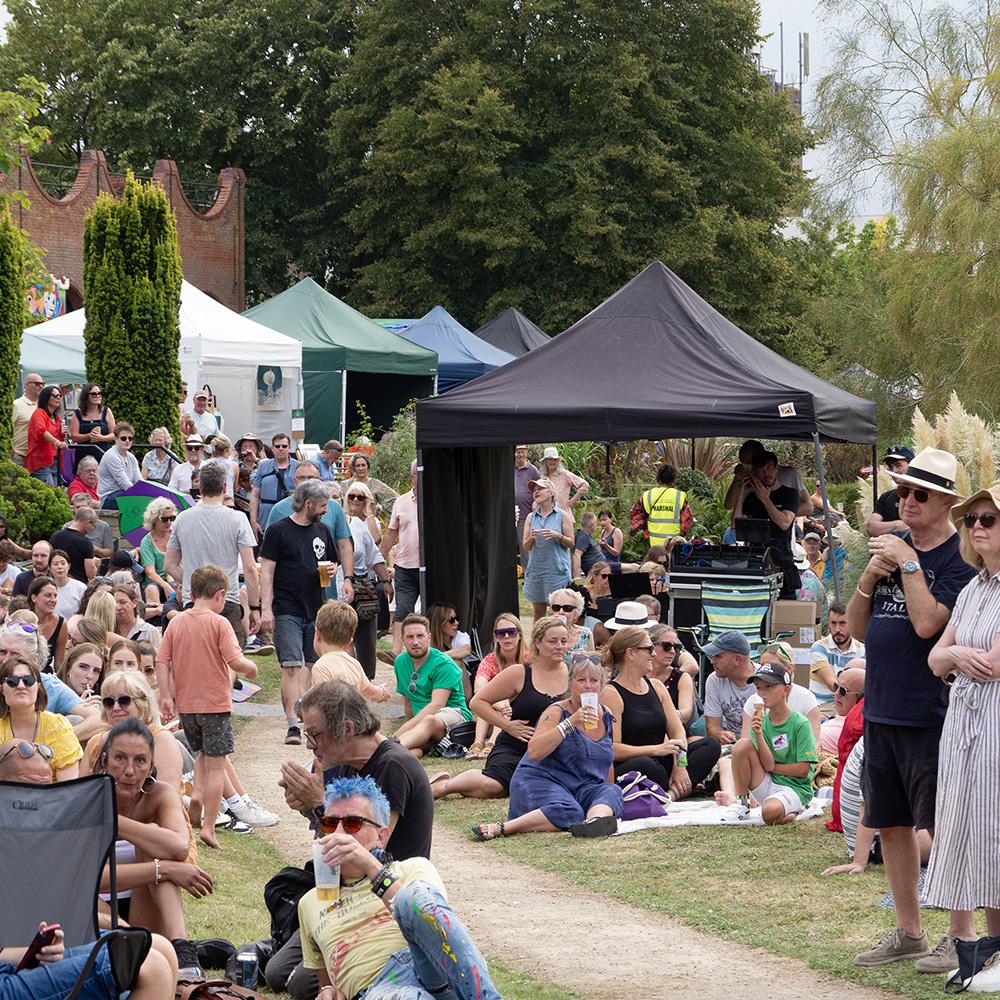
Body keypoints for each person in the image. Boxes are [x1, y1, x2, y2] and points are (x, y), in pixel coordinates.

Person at [847, 446, 976, 968]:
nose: (908, 500)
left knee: (944, 827)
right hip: (881, 707)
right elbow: (858, 629)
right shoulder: (894, 546)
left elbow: (927, 625)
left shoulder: (959, 559)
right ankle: (909, 931)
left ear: (945, 503)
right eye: (903, 490)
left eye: (921, 493)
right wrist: (869, 577)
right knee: (892, 822)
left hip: (931, 713)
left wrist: (906, 563)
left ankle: (962, 936)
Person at [273, 682, 434, 999]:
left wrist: (317, 802)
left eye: (315, 735)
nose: (310, 745)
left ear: (346, 729)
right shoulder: (348, 765)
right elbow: (333, 842)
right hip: (344, 893)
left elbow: (366, 852)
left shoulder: (393, 765)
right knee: (278, 972)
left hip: (383, 906)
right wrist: (310, 808)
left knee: (298, 982)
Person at [298, 775, 501, 1000]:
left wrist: (368, 864)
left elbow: (437, 929)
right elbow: (326, 981)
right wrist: (327, 990)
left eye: (352, 823)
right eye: (329, 823)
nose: (338, 834)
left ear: (381, 836)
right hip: (379, 988)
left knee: (413, 893)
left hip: (432, 967)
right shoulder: (310, 902)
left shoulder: (412, 869)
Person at [919, 485, 1000, 983]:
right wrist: (954, 656)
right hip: (964, 721)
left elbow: (992, 664)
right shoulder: (972, 589)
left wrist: (955, 657)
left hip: (994, 719)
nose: (977, 527)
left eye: (989, 519)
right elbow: (934, 658)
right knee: (964, 821)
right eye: (972, 519)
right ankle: (979, 945)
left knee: (994, 826)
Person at [94, 718, 212, 976]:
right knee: (157, 844)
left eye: (140, 761)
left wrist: (115, 823)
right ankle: (148, 944)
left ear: (150, 768)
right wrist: (164, 870)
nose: (129, 771)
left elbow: (179, 847)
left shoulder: (160, 794)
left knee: (157, 839)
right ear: (104, 761)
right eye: (120, 758)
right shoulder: (86, 799)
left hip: (145, 907)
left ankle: (182, 948)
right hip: (97, 911)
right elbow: (87, 880)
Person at [156, 563, 259, 849]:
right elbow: (235, 660)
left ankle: (197, 794)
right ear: (220, 595)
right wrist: (251, 667)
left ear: (191, 594)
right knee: (216, 766)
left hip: (187, 707)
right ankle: (209, 827)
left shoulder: (177, 622)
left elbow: (161, 661)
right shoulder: (219, 623)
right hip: (215, 706)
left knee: (202, 752)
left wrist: (166, 696)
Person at [476, 653, 624, 840]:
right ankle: (504, 827)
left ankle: (593, 822)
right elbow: (535, 751)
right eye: (581, 680)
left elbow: (607, 760)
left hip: (580, 787)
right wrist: (571, 722)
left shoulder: (605, 714)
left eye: (594, 680)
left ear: (601, 685)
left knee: (613, 791)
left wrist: (604, 794)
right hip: (541, 782)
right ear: (570, 684)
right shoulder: (556, 711)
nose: (588, 685)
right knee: (570, 811)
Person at [433, 616, 570, 803]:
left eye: (563, 641)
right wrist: (507, 726)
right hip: (516, 746)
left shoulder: (573, 673)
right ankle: (443, 786)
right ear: (538, 643)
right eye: (552, 641)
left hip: (555, 749)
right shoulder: (520, 673)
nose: (559, 646)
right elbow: (478, 701)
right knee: (495, 787)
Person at [260, 479, 352, 746]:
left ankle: (311, 723)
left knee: (312, 667)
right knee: (290, 666)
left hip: (317, 607)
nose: (326, 510)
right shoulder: (278, 530)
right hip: (286, 607)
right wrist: (265, 608)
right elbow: (267, 573)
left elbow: (330, 562)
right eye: (322, 505)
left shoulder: (323, 530)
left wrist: (334, 570)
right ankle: (292, 724)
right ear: (308, 504)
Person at [601, 625, 720, 802]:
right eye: (649, 649)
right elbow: (613, 748)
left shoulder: (656, 687)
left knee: (710, 745)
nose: (653, 654)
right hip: (634, 764)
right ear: (630, 653)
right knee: (648, 765)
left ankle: (670, 794)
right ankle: (677, 790)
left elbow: (677, 731)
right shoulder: (611, 694)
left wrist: (680, 765)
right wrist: (656, 750)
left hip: (661, 758)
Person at [165, 461, 261, 649]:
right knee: (228, 661)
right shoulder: (237, 518)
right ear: (225, 488)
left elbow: (169, 565)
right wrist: (254, 608)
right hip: (226, 600)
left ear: (200, 488)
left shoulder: (182, 518)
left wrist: (195, 583)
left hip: (195, 600)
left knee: (196, 659)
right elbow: (250, 568)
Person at [716, 659, 818, 824]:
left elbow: (803, 770)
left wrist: (773, 768)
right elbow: (767, 764)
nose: (762, 693)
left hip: (795, 788)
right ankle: (742, 805)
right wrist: (758, 735)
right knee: (742, 745)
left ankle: (797, 810)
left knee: (769, 813)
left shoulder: (801, 724)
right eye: (758, 688)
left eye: (769, 687)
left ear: (786, 690)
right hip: (768, 782)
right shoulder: (761, 723)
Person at [392, 613, 471, 757]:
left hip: (453, 717)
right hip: (424, 726)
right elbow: (408, 701)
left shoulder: (443, 663)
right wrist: (412, 730)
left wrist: (406, 728)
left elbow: (437, 705)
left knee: (429, 720)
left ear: (429, 637)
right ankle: (395, 755)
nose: (415, 642)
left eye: (420, 636)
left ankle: (388, 749)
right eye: (410, 637)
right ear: (402, 640)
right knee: (415, 750)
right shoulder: (400, 662)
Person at [0, 654, 81, 781]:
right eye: (12, 681)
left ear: (38, 686)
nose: (21, 686)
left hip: (52, 793)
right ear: (2, 690)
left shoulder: (57, 726)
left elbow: (68, 787)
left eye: (28, 680)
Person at [340, 481, 391, 676]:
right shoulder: (329, 525)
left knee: (367, 639)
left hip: (363, 588)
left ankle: (365, 678)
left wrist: (386, 582)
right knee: (342, 636)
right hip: (338, 588)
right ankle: (349, 678)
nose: (355, 500)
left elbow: (375, 552)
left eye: (360, 497)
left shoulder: (361, 525)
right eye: (351, 496)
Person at [464, 612, 527, 759]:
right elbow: (479, 688)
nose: (506, 637)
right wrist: (499, 704)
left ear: (519, 635)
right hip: (497, 714)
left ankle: (492, 743)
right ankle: (478, 743)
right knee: (487, 703)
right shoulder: (490, 660)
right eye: (501, 633)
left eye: (511, 632)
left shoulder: (529, 660)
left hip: (519, 712)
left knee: (499, 706)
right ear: (495, 637)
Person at [310, 601, 389, 703]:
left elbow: (323, 703)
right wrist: (382, 692)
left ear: (317, 633)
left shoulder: (321, 667)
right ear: (349, 642)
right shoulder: (354, 663)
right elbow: (369, 691)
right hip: (354, 713)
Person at [380, 460, 419, 658]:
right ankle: (395, 652)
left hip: (431, 567)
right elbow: (391, 533)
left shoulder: (438, 499)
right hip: (405, 565)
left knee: (435, 610)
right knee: (403, 608)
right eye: (419, 473)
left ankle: (435, 651)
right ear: (412, 477)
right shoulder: (401, 501)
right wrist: (379, 559)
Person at [522, 476, 574, 622]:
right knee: (538, 615)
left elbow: (571, 543)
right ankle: (537, 638)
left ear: (551, 493)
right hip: (537, 571)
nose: (536, 492)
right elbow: (526, 547)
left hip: (556, 572)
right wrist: (532, 538)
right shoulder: (531, 517)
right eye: (534, 490)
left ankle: (561, 637)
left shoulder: (562, 515)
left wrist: (559, 536)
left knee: (559, 614)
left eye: (540, 489)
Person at [723, 439, 811, 517]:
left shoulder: (789, 474)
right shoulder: (746, 481)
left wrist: (777, 514)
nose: (747, 467)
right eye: (743, 464)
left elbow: (808, 508)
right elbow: (729, 505)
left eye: (749, 463)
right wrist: (737, 478)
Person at [702, 630, 754, 746]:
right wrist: (720, 734)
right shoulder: (714, 679)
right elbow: (712, 726)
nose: (712, 661)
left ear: (737, 659)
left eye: (718, 656)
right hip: (732, 745)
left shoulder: (766, 680)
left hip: (762, 746)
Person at [808, 601, 865, 704]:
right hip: (824, 704)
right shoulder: (819, 648)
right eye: (834, 623)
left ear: (852, 624)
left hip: (851, 703)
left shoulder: (862, 651)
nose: (837, 629)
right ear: (829, 625)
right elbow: (833, 685)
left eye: (842, 623)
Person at [648, 624, 699, 725]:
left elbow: (686, 712)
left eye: (676, 647)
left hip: (674, 729)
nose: (672, 652)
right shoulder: (638, 676)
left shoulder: (682, 677)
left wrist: (674, 715)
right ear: (651, 646)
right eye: (666, 646)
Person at [250, 432, 299, 539]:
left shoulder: (298, 467)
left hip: (290, 517)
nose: (281, 449)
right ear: (272, 448)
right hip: (265, 519)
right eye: (277, 446)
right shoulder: (263, 466)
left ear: (289, 448)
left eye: (284, 446)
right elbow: (255, 495)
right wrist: (253, 521)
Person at [637, 464, 693, 546]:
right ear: (673, 479)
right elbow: (689, 517)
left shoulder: (648, 495)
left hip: (655, 544)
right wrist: (681, 536)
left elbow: (635, 513)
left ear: (658, 478)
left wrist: (646, 531)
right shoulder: (679, 496)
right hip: (674, 544)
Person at [139, 497, 178, 615]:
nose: (169, 522)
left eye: (172, 518)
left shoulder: (176, 535)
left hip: (175, 578)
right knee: (152, 589)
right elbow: (150, 572)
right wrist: (165, 586)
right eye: (164, 519)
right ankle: (157, 617)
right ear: (154, 519)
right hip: (155, 582)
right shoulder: (147, 542)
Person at [867, 445, 915, 537]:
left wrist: (886, 528)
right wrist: (898, 525)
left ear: (912, 464)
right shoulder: (886, 497)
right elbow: (871, 528)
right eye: (890, 467)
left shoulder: (924, 495)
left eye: (898, 465)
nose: (894, 471)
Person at [818, 664, 865, 754]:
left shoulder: (853, 729)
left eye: (843, 691)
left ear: (860, 698)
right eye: (836, 687)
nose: (836, 693)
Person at [69, 381, 115, 471]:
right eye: (94, 394)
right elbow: (74, 436)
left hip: (102, 453)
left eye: (99, 393)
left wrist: (101, 438)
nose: (97, 396)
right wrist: (89, 436)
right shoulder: (78, 413)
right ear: (86, 396)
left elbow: (114, 434)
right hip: (84, 456)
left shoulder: (106, 411)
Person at [26, 385, 67, 485]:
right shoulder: (39, 413)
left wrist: (63, 435)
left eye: (60, 395)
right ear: (46, 397)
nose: (58, 398)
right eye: (55, 395)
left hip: (55, 461)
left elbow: (58, 439)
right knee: (49, 491)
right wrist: (57, 442)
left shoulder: (57, 417)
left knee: (56, 491)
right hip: (42, 461)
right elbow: (41, 431)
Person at [27, 577, 68, 671]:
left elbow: (59, 664)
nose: (53, 600)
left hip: (46, 675)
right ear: (34, 598)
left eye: (55, 596)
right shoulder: (21, 620)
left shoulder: (60, 624)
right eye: (48, 595)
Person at [96, 423, 141, 507]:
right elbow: (125, 484)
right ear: (116, 439)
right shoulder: (111, 456)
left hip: (124, 493)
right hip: (109, 497)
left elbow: (139, 481)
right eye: (123, 438)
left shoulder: (132, 458)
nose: (127, 441)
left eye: (130, 438)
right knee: (136, 502)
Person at [49, 507, 98, 584]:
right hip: (78, 585)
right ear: (87, 522)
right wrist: (94, 564)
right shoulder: (85, 542)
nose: (91, 528)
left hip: (57, 583)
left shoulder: (55, 536)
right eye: (93, 525)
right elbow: (90, 574)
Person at [514, 444, 540, 570]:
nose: (520, 455)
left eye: (523, 452)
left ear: (526, 453)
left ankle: (528, 571)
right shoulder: (509, 468)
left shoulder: (533, 470)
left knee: (525, 545)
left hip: (526, 514)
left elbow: (539, 489)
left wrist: (535, 503)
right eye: (518, 452)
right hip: (510, 514)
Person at [537, 446, 588, 512]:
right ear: (545, 461)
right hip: (547, 515)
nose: (552, 462)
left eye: (554, 459)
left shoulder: (564, 474)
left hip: (563, 514)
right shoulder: (543, 478)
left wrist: (572, 501)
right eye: (550, 459)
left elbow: (584, 485)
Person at [65, 492, 114, 560]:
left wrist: (94, 548)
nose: (81, 510)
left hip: (97, 559)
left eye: (84, 507)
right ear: (74, 509)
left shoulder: (103, 526)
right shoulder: (67, 527)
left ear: (91, 507)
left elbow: (110, 552)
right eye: (78, 507)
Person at [548, 587, 594, 653]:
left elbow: (592, 658)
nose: (561, 612)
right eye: (556, 607)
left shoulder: (586, 634)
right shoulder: (544, 632)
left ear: (576, 613)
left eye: (567, 608)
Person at [11, 372, 43, 466]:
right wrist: (11, 451)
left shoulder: (43, 406)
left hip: (39, 457)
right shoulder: (16, 405)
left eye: (42, 384)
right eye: (37, 383)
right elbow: (6, 429)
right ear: (27, 385)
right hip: (20, 456)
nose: (41, 386)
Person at [48, 549, 86, 620]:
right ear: (49, 568)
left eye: (63, 563)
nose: (60, 567)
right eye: (55, 564)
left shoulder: (80, 587)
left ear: (68, 566)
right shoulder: (45, 587)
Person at [572, 511, 601, 579]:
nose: (596, 525)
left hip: (604, 565)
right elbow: (576, 555)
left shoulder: (584, 535)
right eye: (596, 523)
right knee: (627, 568)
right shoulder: (583, 535)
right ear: (592, 525)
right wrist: (577, 576)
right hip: (599, 569)